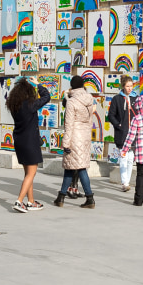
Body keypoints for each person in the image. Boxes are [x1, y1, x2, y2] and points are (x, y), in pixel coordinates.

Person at [54, 75, 102, 209]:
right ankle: (61, 196)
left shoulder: (72, 101)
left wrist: (65, 143)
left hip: (74, 136)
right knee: (73, 167)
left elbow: (69, 124)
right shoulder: (89, 99)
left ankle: (89, 198)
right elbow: (90, 120)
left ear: (72, 86)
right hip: (85, 136)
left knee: (78, 168)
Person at [5, 77, 52, 213]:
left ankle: (31, 201)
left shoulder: (14, 105)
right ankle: (19, 201)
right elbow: (46, 97)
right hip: (30, 141)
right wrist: (38, 85)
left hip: (19, 141)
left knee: (28, 174)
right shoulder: (30, 104)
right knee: (31, 173)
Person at [106, 75, 135, 191]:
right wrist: (118, 125)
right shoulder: (117, 99)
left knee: (130, 159)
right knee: (123, 158)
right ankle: (124, 183)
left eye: (131, 86)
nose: (130, 88)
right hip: (122, 133)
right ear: (123, 86)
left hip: (133, 133)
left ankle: (127, 181)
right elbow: (111, 115)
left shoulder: (135, 98)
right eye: (127, 86)